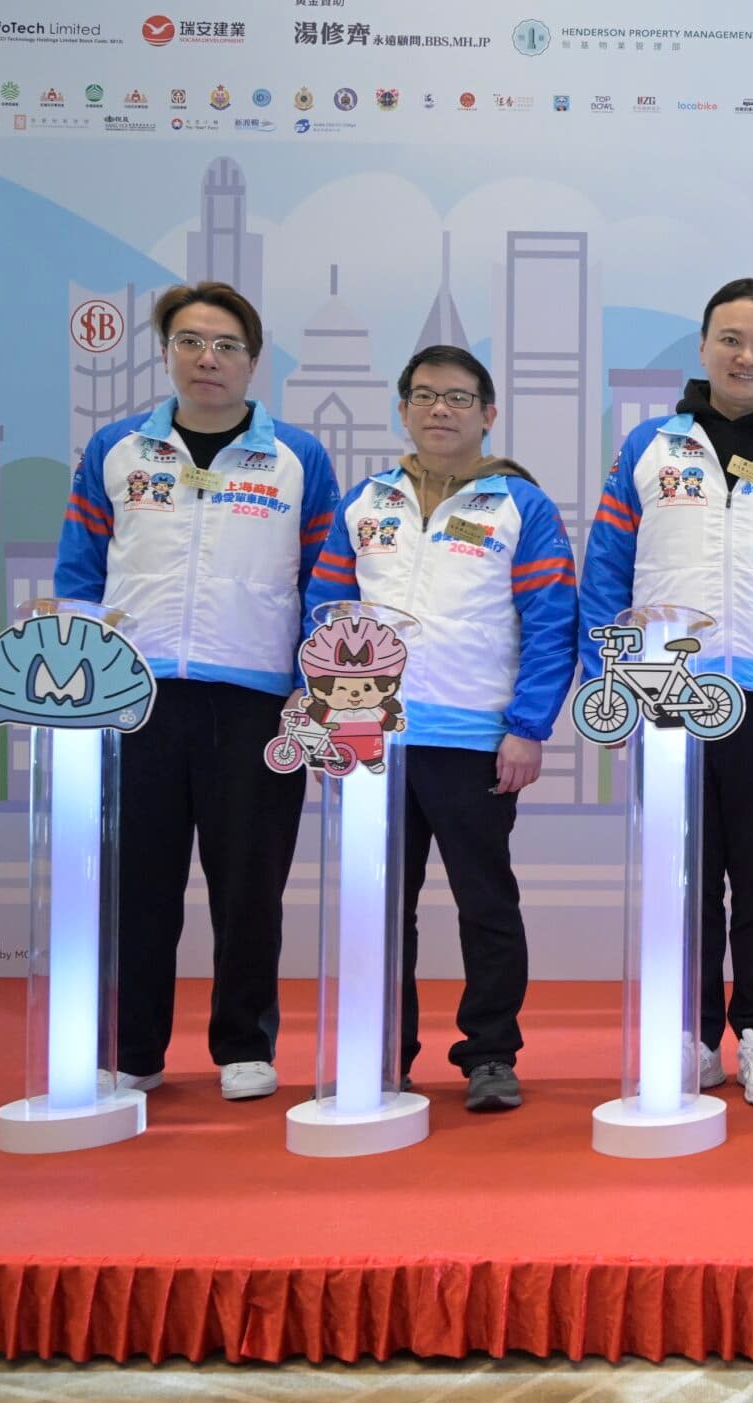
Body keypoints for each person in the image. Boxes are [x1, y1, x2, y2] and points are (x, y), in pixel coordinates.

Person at [579, 278, 753, 1108]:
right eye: (732, 339)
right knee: (684, 880)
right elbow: (605, 573)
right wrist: (612, 680)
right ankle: (693, 1035)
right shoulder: (649, 449)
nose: (747, 356)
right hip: (666, 696)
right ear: (704, 346)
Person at [55, 282, 339, 1101]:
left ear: (253, 360)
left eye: (225, 345)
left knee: (250, 884)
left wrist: (313, 693)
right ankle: (133, 1047)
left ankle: (244, 1044)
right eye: (190, 341)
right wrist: (80, 687)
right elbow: (80, 572)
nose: (206, 358)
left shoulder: (297, 458)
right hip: (134, 698)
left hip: (257, 701)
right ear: (167, 352)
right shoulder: (117, 450)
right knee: (136, 883)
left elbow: (325, 583)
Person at [304, 345, 578, 1113]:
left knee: (485, 904)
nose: (439, 409)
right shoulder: (366, 503)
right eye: (424, 395)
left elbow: (551, 622)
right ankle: (383, 1053)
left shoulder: (519, 506)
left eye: (458, 397)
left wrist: (528, 727)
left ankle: (490, 1053)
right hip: (372, 741)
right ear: (403, 409)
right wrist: (328, 717)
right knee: (383, 908)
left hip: (475, 741)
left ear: (487, 414)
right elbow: (323, 613)